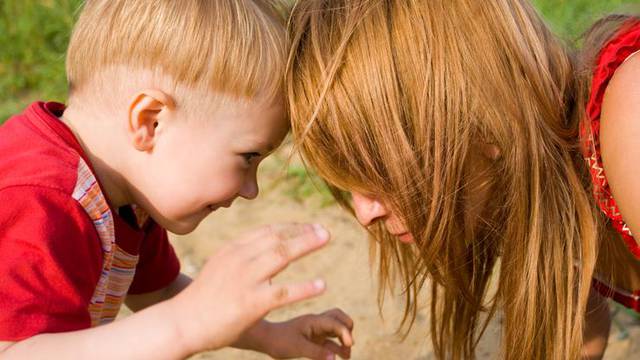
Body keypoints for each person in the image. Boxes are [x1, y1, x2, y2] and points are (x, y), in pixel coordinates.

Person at [0, 1, 353, 359]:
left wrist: (269, 336)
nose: (251, 189)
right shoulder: (42, 202)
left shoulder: (128, 194)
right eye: (248, 157)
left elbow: (159, 291)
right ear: (150, 122)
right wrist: (185, 325)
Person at [286, 0, 638, 359]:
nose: (364, 212)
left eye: (378, 171)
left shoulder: (631, 114)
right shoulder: (541, 192)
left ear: (484, 119)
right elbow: (578, 333)